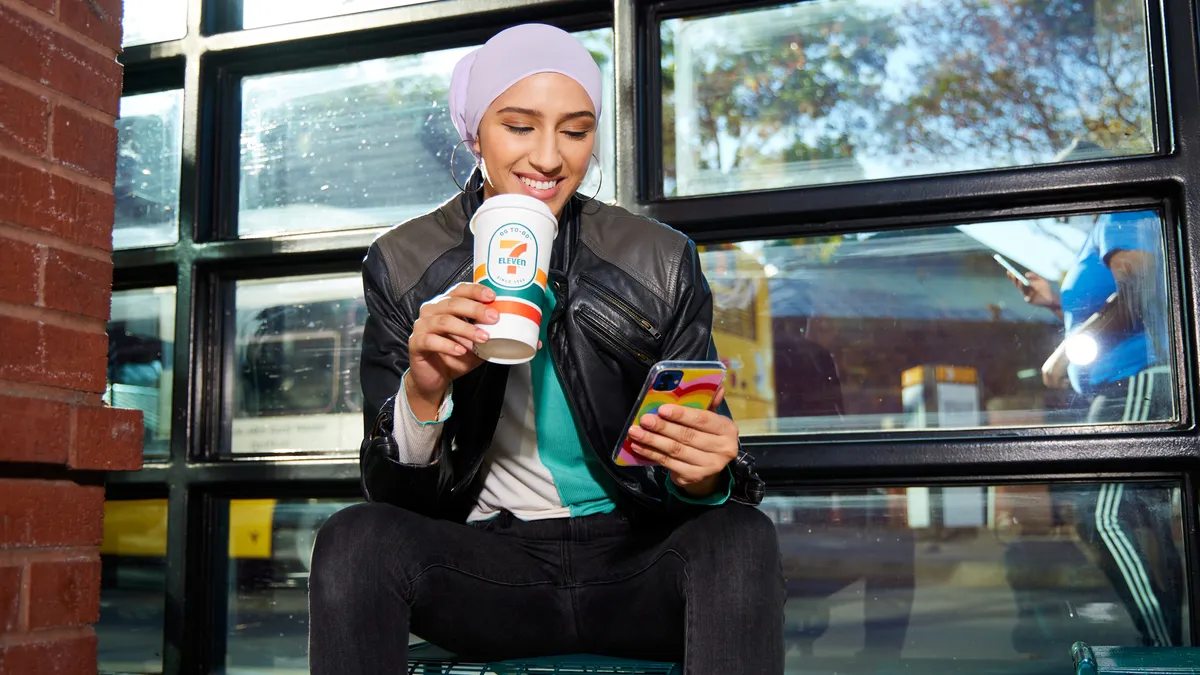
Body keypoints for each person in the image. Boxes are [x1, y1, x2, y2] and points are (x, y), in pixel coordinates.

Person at [308, 24, 784, 675]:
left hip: (631, 560)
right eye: (520, 126)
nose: (549, 157)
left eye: (576, 129)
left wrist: (702, 476)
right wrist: (423, 391)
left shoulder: (660, 260)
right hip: (490, 568)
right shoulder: (404, 262)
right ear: (476, 134)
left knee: (740, 536)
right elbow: (392, 492)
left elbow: (694, 450)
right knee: (353, 540)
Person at [1005, 140, 1182, 649]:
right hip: (1117, 382)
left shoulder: (1119, 211)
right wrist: (1053, 301)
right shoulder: (1097, 231)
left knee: (1099, 516)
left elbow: (1140, 288)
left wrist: (1066, 351)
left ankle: (1164, 648)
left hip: (1139, 375)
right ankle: (1168, 640)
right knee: (1136, 523)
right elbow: (1101, 302)